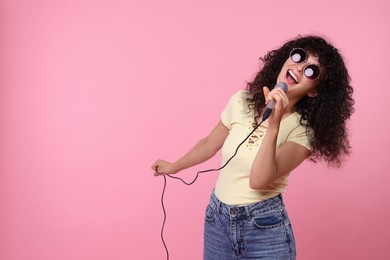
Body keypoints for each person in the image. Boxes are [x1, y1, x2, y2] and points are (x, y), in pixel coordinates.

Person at [151, 35, 354, 260]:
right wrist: (175, 166)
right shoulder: (241, 101)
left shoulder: (303, 132)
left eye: (311, 71)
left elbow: (258, 180)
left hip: (264, 227)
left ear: (314, 91)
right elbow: (210, 144)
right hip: (217, 218)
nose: (300, 68)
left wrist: (273, 126)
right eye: (299, 57)